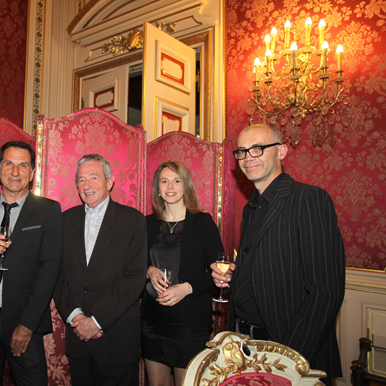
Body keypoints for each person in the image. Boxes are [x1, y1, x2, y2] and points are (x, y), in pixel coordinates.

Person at [212, 124, 345, 386]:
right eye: (242, 152)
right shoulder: (252, 208)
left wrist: (290, 361)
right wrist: (232, 277)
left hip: (291, 348)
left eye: (258, 149)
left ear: (281, 151)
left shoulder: (309, 199)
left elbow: (326, 291)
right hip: (249, 348)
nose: (248, 158)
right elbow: (269, 267)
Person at [0, 141, 63, 386]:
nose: (15, 172)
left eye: (23, 166)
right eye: (9, 164)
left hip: (22, 321)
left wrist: (27, 324)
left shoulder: (48, 211)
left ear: (32, 173)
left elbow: (49, 272)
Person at [53, 154, 147, 386]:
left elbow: (134, 278)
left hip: (117, 338)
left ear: (110, 181)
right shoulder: (64, 220)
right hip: (78, 339)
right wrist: (77, 318)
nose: (87, 185)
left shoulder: (133, 220)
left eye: (93, 177)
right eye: (81, 180)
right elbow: (58, 274)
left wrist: (96, 321)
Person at [142, 161, 224, 386]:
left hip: (189, 322)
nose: (170, 186)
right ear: (157, 188)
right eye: (164, 181)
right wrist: (149, 270)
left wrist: (186, 288)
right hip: (153, 320)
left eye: (176, 181)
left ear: (185, 186)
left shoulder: (202, 223)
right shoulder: (147, 224)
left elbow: (220, 272)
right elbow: (131, 266)